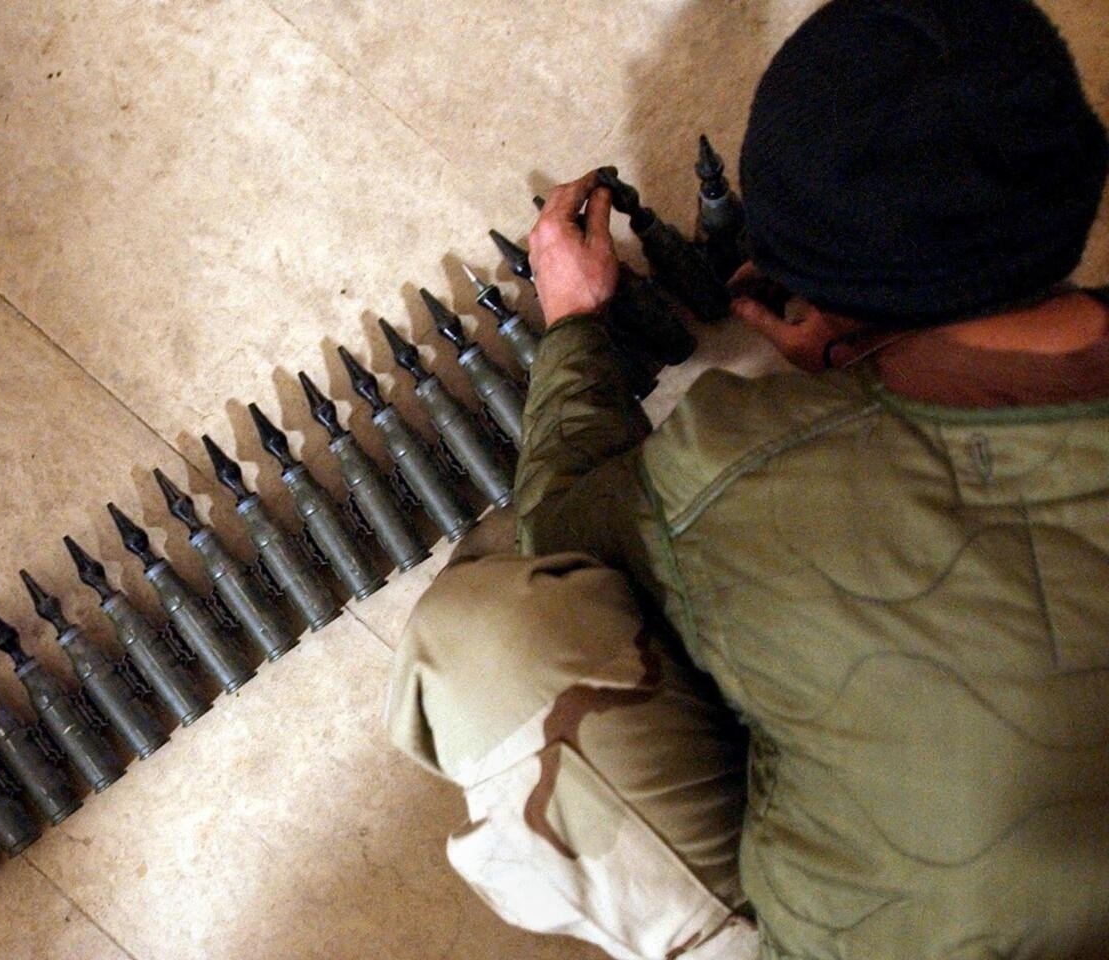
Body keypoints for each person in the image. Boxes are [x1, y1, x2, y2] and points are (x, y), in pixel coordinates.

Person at [387, 0, 1109, 957]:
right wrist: (871, 340)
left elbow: (562, 523)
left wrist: (574, 325)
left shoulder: (737, 467)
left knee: (485, 639)